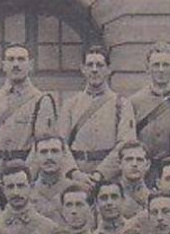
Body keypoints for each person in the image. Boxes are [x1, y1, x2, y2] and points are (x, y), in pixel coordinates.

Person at [57, 45, 137, 185]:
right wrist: (74, 173)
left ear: (108, 69)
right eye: (90, 65)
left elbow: (125, 145)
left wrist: (100, 174)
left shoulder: (121, 104)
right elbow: (60, 144)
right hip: (76, 178)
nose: (94, 70)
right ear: (83, 69)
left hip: (109, 179)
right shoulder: (70, 105)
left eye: (99, 65)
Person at [0, 43, 58, 181]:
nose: (16, 64)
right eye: (11, 59)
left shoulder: (41, 100)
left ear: (30, 64)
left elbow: (41, 146)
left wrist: (27, 176)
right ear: (3, 65)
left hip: (22, 174)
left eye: (21, 59)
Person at [125, 43, 170, 169]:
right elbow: (129, 141)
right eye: (156, 65)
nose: (161, 70)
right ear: (147, 68)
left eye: (166, 65)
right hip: (143, 169)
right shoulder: (134, 102)